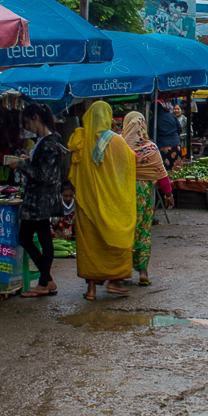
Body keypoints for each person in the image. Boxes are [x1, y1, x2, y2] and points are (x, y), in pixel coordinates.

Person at [69, 101, 137, 300]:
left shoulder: (80, 140)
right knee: (115, 242)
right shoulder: (115, 141)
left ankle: (90, 290)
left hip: (86, 203)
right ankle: (114, 282)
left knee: (89, 247)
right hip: (112, 203)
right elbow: (129, 162)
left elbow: (72, 174)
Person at [10, 104, 68, 298]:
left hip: (41, 199)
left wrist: (20, 164)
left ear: (35, 118)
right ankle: (47, 279)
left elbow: (42, 174)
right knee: (29, 238)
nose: (27, 128)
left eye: (27, 122)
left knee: (41, 238)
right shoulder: (45, 140)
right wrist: (28, 161)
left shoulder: (50, 142)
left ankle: (43, 283)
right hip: (37, 198)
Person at [122, 110, 170, 286]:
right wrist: (169, 194)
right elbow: (161, 174)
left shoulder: (120, 146)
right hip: (144, 194)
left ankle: (121, 270)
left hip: (123, 192)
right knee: (143, 230)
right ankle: (143, 272)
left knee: (125, 229)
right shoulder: (151, 148)